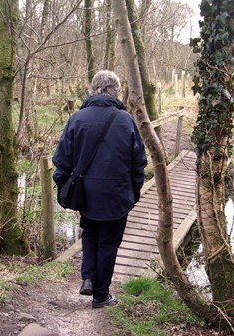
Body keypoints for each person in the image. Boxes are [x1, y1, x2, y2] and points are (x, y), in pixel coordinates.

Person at [52, 70, 147, 308]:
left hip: (86, 194)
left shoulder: (77, 118)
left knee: (90, 233)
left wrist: (62, 186)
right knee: (109, 242)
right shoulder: (125, 120)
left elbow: (62, 159)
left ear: (93, 90)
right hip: (116, 194)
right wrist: (135, 191)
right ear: (116, 90)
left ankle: (87, 277)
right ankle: (101, 294)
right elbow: (139, 162)